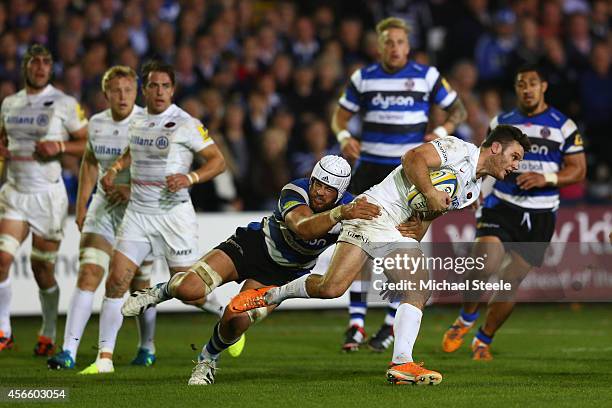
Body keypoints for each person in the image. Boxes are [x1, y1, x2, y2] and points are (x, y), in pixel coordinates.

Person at [230, 125, 530, 385]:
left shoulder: (471, 192)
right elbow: (412, 159)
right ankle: (401, 363)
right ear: (495, 147)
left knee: (333, 288)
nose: (516, 165)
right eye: (514, 156)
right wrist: (428, 193)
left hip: (393, 228)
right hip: (373, 210)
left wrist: (419, 228)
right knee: (404, 287)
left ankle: (269, 295)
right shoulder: (457, 148)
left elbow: (428, 212)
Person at [121, 156, 416, 385]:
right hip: (252, 246)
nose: (319, 191)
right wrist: (340, 213)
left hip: (283, 274)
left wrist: (402, 229)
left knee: (235, 321)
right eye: (317, 182)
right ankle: (158, 291)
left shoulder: (354, 208)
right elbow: (302, 228)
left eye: (328, 188)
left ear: (340, 192)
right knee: (189, 289)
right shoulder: (296, 190)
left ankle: (207, 360)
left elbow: (379, 229)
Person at [79, 60, 226, 374]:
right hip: (138, 215)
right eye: (153, 86)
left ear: (173, 90)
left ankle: (223, 312)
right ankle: (103, 358)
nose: (159, 92)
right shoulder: (138, 121)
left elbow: (218, 161)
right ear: (144, 90)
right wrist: (117, 168)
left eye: (165, 86)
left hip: (173, 216)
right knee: (117, 280)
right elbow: (132, 150)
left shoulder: (186, 123)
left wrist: (191, 178)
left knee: (189, 290)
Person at [332, 17, 467, 352]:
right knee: (360, 244)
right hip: (370, 171)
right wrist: (344, 135)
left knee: (404, 246)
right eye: (388, 42)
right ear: (379, 46)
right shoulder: (363, 78)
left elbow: (459, 111)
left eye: (400, 42)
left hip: (411, 177)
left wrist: (438, 133)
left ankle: (391, 325)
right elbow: (340, 115)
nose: (395, 48)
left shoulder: (428, 76)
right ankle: (356, 324)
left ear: (409, 46)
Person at [441, 65, 586, 360]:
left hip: (542, 214)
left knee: (510, 282)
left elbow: (579, 169)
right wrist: (473, 191)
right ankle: (466, 318)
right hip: (503, 204)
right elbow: (484, 160)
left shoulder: (563, 126)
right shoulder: (502, 122)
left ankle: (483, 340)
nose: (527, 89)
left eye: (533, 83)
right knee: (484, 262)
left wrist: (548, 179)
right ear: (517, 88)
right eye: (521, 84)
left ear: (543, 86)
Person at [46, 66, 157, 369]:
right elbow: (90, 163)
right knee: (88, 274)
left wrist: (133, 189)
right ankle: (68, 350)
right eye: (116, 91)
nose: (122, 96)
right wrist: (82, 205)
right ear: (106, 93)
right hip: (103, 209)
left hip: (139, 212)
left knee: (139, 284)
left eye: (128, 90)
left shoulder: (147, 124)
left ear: (136, 92)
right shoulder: (96, 123)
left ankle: (146, 345)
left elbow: (159, 170)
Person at [0, 44, 87, 354]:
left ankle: (48, 331)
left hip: (47, 198)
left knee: (42, 270)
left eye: (45, 62)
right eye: (34, 61)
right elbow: (3, 136)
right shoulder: (10, 103)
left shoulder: (64, 103)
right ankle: (3, 330)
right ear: (25, 66)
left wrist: (61, 148)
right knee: (2, 259)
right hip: (14, 193)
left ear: (51, 69)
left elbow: (88, 140)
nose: (39, 67)